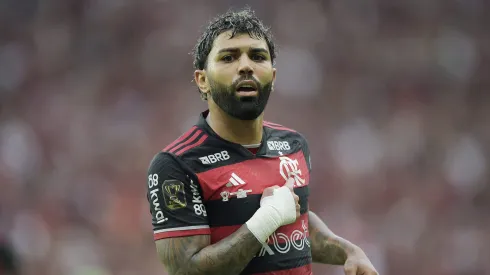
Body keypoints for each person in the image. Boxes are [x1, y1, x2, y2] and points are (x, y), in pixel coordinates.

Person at [146, 7, 378, 275]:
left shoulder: (293, 146)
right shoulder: (177, 165)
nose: (245, 65)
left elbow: (298, 222)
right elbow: (187, 270)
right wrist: (265, 220)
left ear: (273, 76)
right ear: (202, 80)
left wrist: (350, 251)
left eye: (257, 56)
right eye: (228, 57)